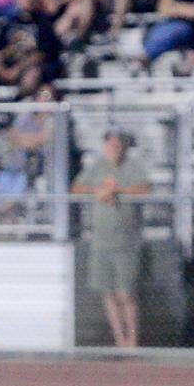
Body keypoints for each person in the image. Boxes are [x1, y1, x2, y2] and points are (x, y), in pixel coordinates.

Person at [71, 128, 151, 347]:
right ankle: (120, 340)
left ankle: (132, 340)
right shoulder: (97, 166)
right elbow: (77, 188)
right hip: (102, 240)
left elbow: (145, 188)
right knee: (108, 293)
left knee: (127, 293)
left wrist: (119, 191)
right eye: (110, 144)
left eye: (117, 145)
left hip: (127, 240)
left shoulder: (133, 166)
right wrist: (98, 191)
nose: (114, 149)